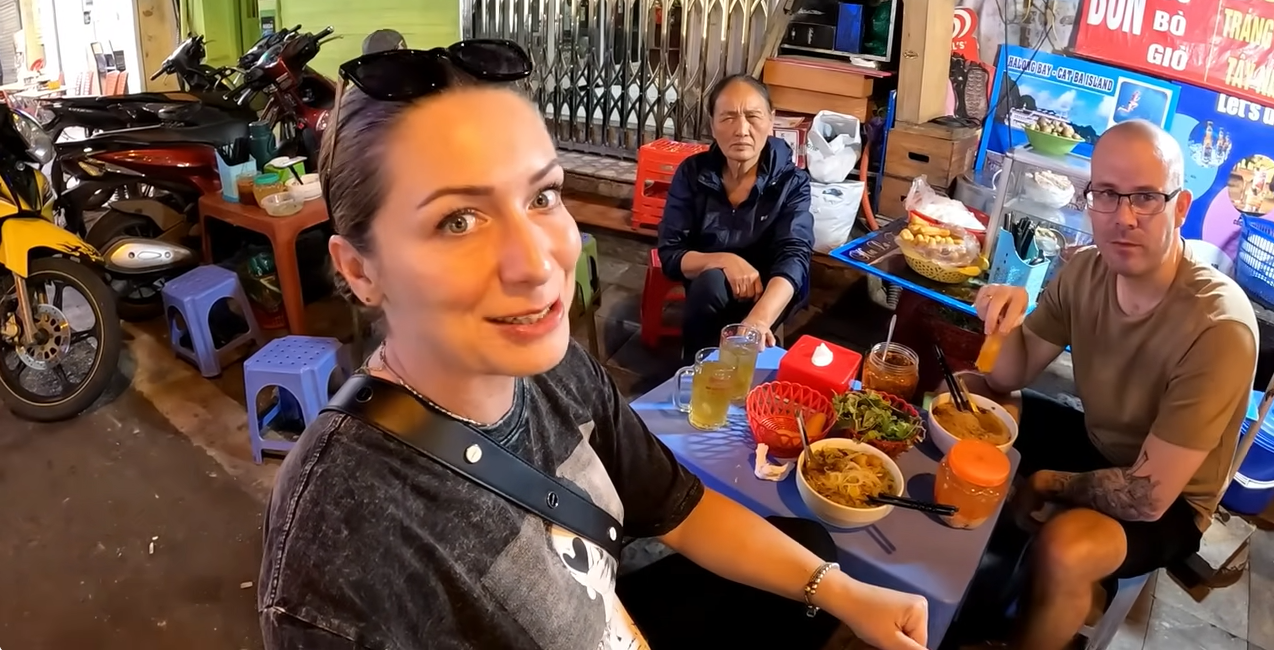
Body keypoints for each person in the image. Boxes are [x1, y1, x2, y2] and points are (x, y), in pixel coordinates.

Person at [257, 45, 928, 650]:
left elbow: (677, 504)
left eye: (543, 195)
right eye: (458, 220)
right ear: (358, 270)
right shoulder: (340, 551)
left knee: (813, 556)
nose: (539, 260)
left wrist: (843, 592)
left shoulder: (554, 366)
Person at [967, 120, 1258, 650]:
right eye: (1106, 194)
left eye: (1146, 197)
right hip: (1099, 442)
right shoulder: (1085, 271)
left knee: (1065, 548)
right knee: (969, 398)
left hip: (1171, 498)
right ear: (1090, 199)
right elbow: (1008, 374)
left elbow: (1147, 496)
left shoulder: (1219, 328)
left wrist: (1048, 482)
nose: (1123, 218)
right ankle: (962, 581)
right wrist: (1006, 318)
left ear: (1181, 206)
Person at [656, 74, 813, 359]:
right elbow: (671, 254)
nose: (741, 129)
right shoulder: (692, 173)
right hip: (708, 289)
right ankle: (695, 374)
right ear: (712, 124)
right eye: (728, 117)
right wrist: (725, 261)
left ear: (770, 120)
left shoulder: (793, 182)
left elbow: (794, 256)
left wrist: (759, 319)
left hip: (767, 290)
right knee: (711, 283)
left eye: (753, 116)